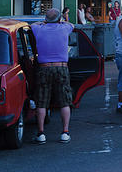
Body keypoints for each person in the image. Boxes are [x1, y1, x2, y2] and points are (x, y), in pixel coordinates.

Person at [30, 8, 74, 144]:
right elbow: (71, 24)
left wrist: (44, 22)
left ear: (45, 19)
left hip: (44, 68)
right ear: (59, 19)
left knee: (42, 101)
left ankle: (41, 133)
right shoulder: (65, 28)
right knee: (64, 100)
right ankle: (65, 132)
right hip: (61, 67)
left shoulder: (38, 29)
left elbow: (33, 25)